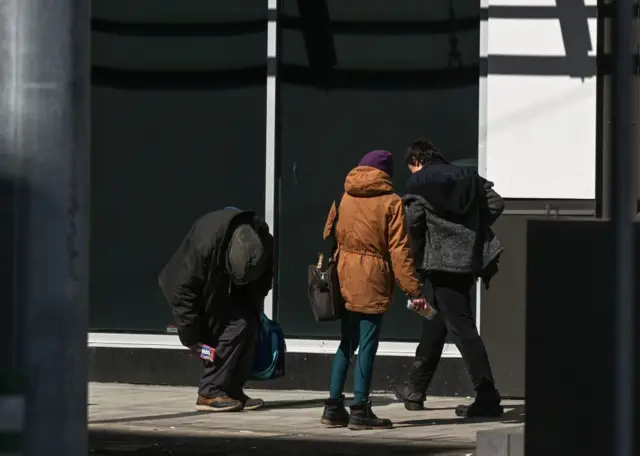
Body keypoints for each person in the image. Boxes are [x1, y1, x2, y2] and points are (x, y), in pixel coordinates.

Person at [393, 139, 505, 418]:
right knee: (437, 323)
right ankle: (415, 389)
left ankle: (487, 395)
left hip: (441, 263)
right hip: (466, 262)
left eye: (411, 168)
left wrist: (416, 260)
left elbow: (413, 224)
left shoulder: (417, 185)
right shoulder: (468, 176)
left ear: (417, 161)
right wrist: (472, 229)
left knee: (463, 328)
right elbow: (496, 203)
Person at [320, 150, 430, 430]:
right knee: (367, 344)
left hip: (344, 274)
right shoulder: (392, 203)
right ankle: (360, 409)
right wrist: (413, 290)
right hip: (373, 278)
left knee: (347, 342)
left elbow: (329, 234)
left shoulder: (345, 195)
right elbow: (399, 252)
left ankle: (333, 407)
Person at [158, 207, 274, 412]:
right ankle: (209, 392)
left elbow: (265, 276)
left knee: (248, 324)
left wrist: (255, 306)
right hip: (197, 289)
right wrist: (191, 339)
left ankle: (231, 389)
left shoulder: (261, 238)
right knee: (233, 328)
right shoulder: (204, 244)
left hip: (227, 285)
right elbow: (182, 293)